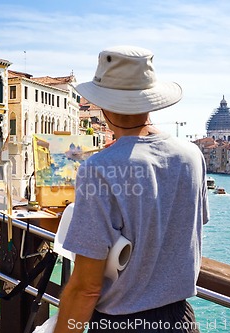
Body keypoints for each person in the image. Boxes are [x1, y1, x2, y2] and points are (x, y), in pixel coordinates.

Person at [54, 46, 209, 332]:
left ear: (103, 106)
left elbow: (86, 287)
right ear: (150, 99)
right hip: (180, 320)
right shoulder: (191, 155)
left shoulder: (98, 168)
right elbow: (183, 229)